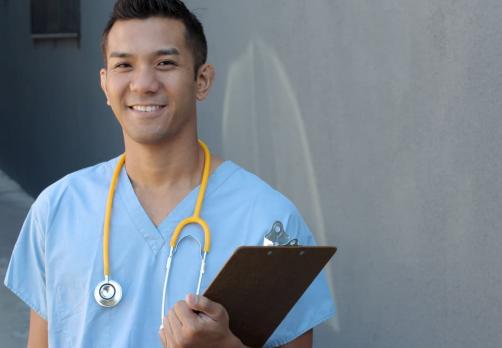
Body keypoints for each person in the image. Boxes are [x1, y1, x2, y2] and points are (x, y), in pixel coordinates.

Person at [3, 0, 335, 347]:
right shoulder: (57, 210)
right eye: (124, 65)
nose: (144, 83)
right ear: (105, 84)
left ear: (202, 80)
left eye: (165, 63)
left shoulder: (270, 223)